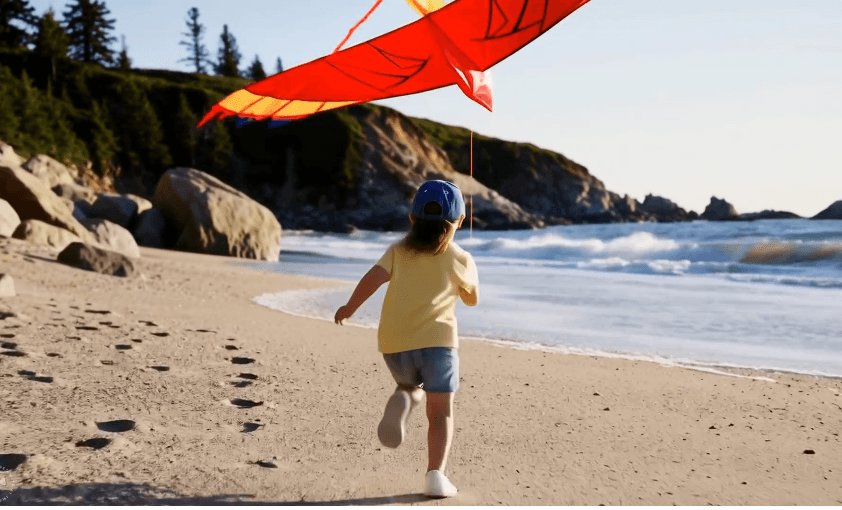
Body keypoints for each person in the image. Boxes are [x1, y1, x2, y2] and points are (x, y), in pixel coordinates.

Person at [334, 180, 479, 498]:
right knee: (440, 412)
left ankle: (405, 395)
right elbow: (471, 299)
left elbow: (373, 279)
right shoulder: (461, 258)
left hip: (395, 345)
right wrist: (466, 284)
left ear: (412, 218)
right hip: (439, 344)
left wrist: (349, 308)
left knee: (410, 385)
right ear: (460, 221)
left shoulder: (397, 250)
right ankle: (435, 476)